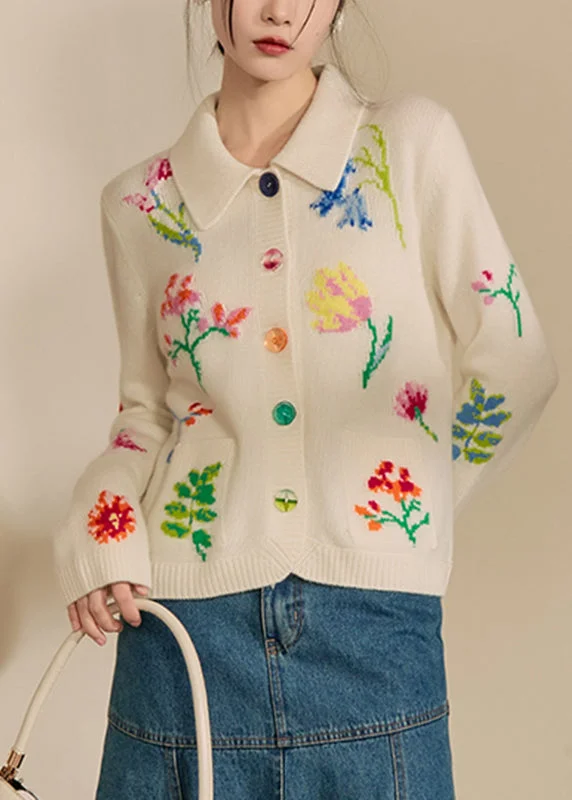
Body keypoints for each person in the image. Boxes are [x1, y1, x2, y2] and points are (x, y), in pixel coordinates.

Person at [52, 1, 559, 797]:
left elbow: (516, 362)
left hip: (372, 637)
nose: (279, 10)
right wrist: (102, 522)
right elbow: (144, 417)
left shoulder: (409, 145)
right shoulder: (139, 205)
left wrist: (411, 505)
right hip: (182, 637)